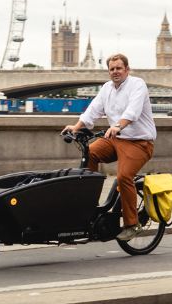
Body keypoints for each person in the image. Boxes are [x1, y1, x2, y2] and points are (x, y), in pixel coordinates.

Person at [62, 54, 157, 241]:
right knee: (89, 154)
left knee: (123, 177)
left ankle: (132, 224)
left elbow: (133, 111)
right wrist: (76, 127)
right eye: (112, 69)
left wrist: (118, 125)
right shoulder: (107, 88)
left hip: (139, 142)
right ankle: (89, 205)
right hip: (115, 139)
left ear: (127, 70)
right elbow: (93, 110)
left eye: (119, 68)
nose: (115, 72)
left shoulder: (137, 84)